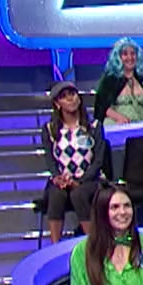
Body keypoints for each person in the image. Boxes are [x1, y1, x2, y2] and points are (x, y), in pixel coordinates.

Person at [39, 81, 104, 245]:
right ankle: (55, 246)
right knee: (56, 194)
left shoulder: (94, 126)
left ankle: (93, 244)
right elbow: (50, 160)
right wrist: (57, 178)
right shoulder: (50, 129)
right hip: (63, 180)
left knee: (78, 193)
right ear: (57, 104)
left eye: (73, 94)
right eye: (64, 97)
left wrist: (80, 181)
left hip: (89, 180)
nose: (70, 99)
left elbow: (98, 161)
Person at [96, 38, 143, 125]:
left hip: (142, 127)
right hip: (116, 126)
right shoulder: (110, 79)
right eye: (125, 54)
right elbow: (100, 107)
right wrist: (118, 117)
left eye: (133, 53)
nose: (130, 57)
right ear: (118, 57)